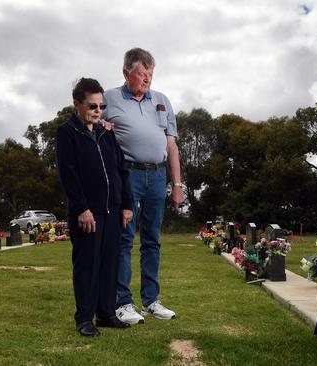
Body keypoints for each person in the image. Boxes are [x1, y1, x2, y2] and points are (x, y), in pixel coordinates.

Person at [102, 48, 185, 325]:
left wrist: (177, 184)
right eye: (142, 73)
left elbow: (171, 146)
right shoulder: (109, 98)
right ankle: (123, 303)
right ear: (126, 73)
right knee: (124, 239)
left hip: (158, 176)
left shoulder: (162, 100)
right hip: (127, 176)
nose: (147, 78)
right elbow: (92, 127)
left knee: (152, 241)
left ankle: (151, 301)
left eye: (150, 73)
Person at [56, 77, 134, 337]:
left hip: (113, 210)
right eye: (92, 106)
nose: (98, 112)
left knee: (109, 263)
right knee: (87, 266)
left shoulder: (106, 132)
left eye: (101, 107)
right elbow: (68, 174)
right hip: (87, 213)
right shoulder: (67, 132)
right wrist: (81, 208)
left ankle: (106, 313)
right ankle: (84, 319)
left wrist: (127, 205)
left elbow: (121, 169)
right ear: (77, 104)